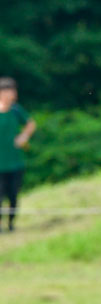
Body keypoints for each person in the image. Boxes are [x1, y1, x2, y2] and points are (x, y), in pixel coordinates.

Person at [0, 78, 36, 232]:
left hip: (15, 162)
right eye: (10, 91)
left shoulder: (16, 110)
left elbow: (31, 124)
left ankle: (11, 224)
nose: (13, 94)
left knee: (13, 195)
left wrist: (24, 137)